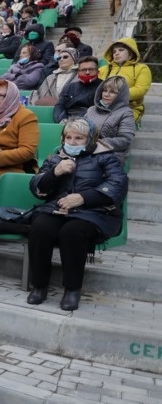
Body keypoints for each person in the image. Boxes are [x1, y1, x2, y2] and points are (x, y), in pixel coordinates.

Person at [27, 118, 128, 311]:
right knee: (40, 228)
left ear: (90, 139)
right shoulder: (56, 157)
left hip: (96, 212)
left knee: (72, 232)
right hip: (58, 209)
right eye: (68, 137)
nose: (72, 142)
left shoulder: (105, 156)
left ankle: (72, 289)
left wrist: (83, 198)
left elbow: (118, 185)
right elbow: (36, 187)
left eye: (79, 138)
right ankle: (39, 285)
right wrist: (54, 173)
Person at [0, 80, 39, 200]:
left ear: (12, 97)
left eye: (2, 96)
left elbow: (27, 151)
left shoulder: (26, 116)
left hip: (14, 166)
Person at [83, 76, 136, 163]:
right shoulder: (91, 109)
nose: (106, 94)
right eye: (104, 90)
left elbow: (126, 139)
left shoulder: (126, 112)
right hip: (86, 150)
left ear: (120, 95)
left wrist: (98, 144)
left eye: (112, 92)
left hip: (111, 155)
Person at [99, 38, 151, 125]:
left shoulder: (142, 68)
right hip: (103, 106)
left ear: (131, 53)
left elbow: (140, 89)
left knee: (114, 124)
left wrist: (117, 95)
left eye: (121, 50)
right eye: (114, 51)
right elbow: (97, 87)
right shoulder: (103, 69)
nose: (116, 53)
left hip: (129, 107)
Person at [54, 56, 102, 123]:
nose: (87, 72)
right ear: (78, 72)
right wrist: (62, 119)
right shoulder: (69, 87)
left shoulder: (103, 86)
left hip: (91, 121)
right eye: (84, 70)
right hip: (68, 119)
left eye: (91, 69)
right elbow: (59, 106)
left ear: (97, 71)